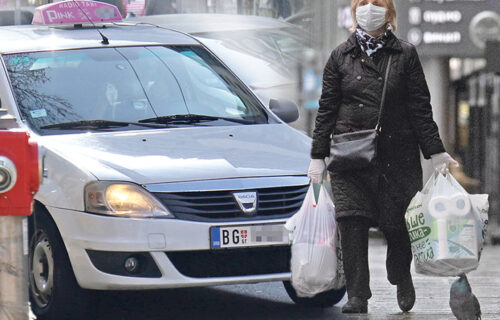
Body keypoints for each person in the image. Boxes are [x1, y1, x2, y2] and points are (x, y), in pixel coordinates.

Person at [307, 0, 458, 314]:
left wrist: (436, 151)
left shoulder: (405, 54)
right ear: (354, 12)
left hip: (397, 158)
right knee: (352, 223)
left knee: (397, 225)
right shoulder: (340, 55)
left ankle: (401, 273)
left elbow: (420, 109)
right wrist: (317, 156)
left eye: (376, 3)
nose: (369, 9)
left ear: (389, 13)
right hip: (350, 157)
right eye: (363, 4)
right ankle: (358, 294)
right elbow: (326, 110)